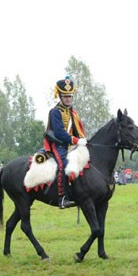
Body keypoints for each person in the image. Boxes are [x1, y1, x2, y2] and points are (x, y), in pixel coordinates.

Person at [43, 76, 86, 209]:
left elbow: (77, 130)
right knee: (63, 165)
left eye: (70, 96)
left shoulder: (73, 113)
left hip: (72, 145)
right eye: (65, 96)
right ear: (60, 96)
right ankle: (62, 198)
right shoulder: (55, 112)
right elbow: (60, 133)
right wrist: (77, 140)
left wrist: (82, 140)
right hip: (58, 145)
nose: (68, 98)